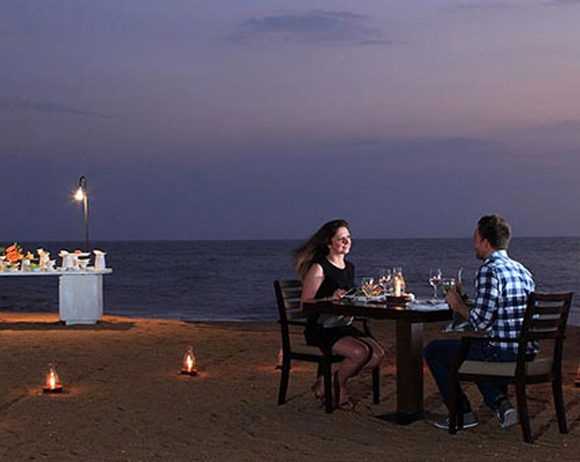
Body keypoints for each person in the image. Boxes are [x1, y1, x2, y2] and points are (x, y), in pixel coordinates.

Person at [425, 214, 535, 430]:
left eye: (475, 239)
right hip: (526, 351)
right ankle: (500, 403)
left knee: (435, 350)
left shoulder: (489, 269)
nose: (473, 244)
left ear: (486, 242)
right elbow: (502, 310)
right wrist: (469, 304)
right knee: (473, 348)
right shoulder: (522, 270)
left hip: (502, 352)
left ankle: (462, 414)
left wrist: (457, 305)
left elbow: (480, 322)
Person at [295, 219, 385, 410]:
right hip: (321, 327)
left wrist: (366, 297)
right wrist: (330, 298)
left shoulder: (349, 267)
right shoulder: (319, 267)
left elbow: (349, 298)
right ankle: (340, 385)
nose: (346, 242)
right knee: (360, 353)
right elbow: (305, 304)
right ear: (329, 243)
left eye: (348, 237)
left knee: (377, 355)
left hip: (342, 325)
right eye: (341, 238)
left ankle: (328, 380)